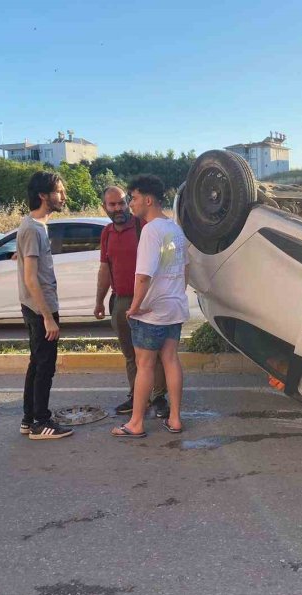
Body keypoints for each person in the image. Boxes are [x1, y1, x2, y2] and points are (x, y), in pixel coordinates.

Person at [112, 175, 189, 438]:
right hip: (174, 308)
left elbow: (143, 276)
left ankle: (135, 423)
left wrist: (134, 307)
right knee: (170, 360)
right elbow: (183, 269)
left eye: (132, 199)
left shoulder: (150, 230)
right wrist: (174, 293)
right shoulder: (175, 229)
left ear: (148, 199)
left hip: (152, 312)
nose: (130, 204)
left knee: (144, 366)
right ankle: (175, 419)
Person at [94, 185, 169, 417]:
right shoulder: (106, 233)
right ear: (105, 207)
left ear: (128, 202)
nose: (118, 208)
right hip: (121, 302)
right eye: (112, 205)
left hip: (147, 301)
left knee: (151, 353)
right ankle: (137, 395)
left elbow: (167, 262)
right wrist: (99, 301)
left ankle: (158, 398)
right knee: (130, 354)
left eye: (121, 203)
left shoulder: (144, 228)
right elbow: (105, 269)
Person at [17, 171, 73, 440]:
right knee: (44, 367)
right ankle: (41, 422)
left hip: (37, 307)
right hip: (40, 308)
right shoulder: (32, 229)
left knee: (37, 364)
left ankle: (30, 419)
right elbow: (30, 277)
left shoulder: (35, 226)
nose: (63, 196)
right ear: (43, 195)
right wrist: (47, 317)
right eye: (59, 192)